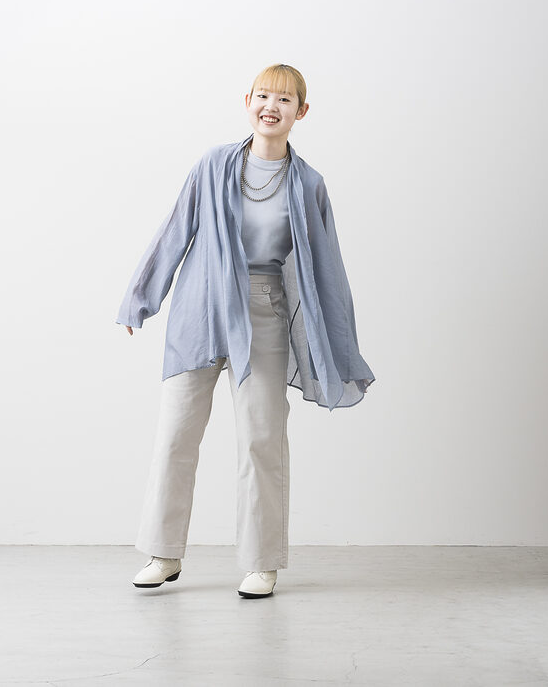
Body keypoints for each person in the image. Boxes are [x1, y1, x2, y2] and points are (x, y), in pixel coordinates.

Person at [116, 63, 375, 599]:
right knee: (176, 436)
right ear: (248, 101)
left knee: (261, 438)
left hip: (264, 311)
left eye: (284, 99)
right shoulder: (213, 165)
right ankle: (163, 554)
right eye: (263, 95)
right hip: (201, 306)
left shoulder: (309, 184)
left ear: (301, 111)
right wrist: (140, 298)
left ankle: (261, 563)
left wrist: (339, 341)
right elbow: (176, 228)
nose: (271, 106)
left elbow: (327, 266)